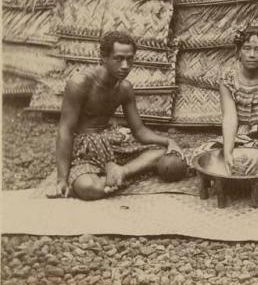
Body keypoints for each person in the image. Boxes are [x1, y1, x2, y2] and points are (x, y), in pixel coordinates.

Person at [54, 30, 187, 200]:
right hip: (84, 149)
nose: (125, 66)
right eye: (118, 59)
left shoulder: (125, 88)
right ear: (104, 57)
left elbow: (138, 130)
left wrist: (168, 141)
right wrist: (61, 179)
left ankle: (121, 171)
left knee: (173, 160)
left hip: (111, 144)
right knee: (88, 187)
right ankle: (108, 176)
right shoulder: (80, 83)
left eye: (129, 59)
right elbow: (65, 130)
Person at [195, 25, 258, 176]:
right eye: (247, 48)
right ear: (238, 52)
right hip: (237, 136)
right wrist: (228, 152)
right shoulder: (228, 79)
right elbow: (229, 118)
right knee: (202, 154)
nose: (252, 54)